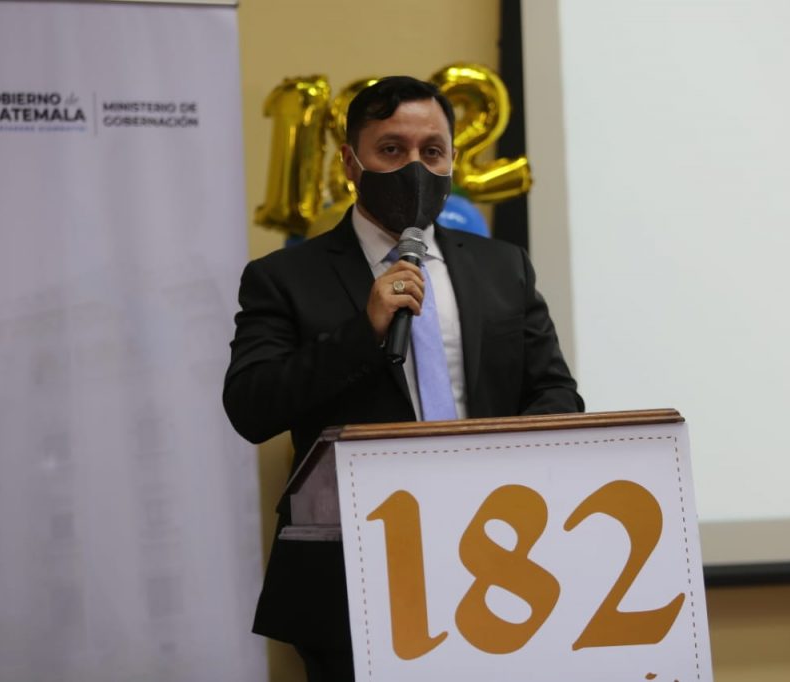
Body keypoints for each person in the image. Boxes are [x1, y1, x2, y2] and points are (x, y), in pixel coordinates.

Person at [223, 75, 583, 681]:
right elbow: (250, 407)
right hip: (352, 573)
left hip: (498, 557)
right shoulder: (283, 277)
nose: (415, 167)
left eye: (432, 151)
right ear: (351, 163)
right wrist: (361, 332)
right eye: (391, 149)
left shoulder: (503, 267)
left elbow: (555, 392)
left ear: (452, 161)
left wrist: (510, 459)